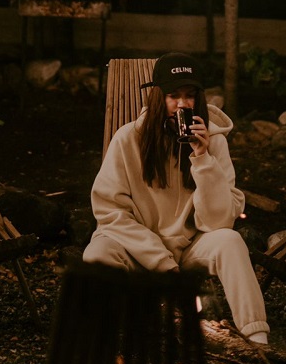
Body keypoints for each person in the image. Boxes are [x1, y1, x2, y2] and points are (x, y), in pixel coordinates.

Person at [83, 51, 270, 344]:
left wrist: (203, 158)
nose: (182, 104)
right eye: (174, 96)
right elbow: (110, 212)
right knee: (97, 254)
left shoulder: (214, 142)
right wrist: (161, 260)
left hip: (191, 246)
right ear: (159, 97)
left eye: (189, 95)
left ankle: (257, 339)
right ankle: (108, 340)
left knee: (231, 241)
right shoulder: (128, 139)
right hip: (139, 248)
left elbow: (219, 222)